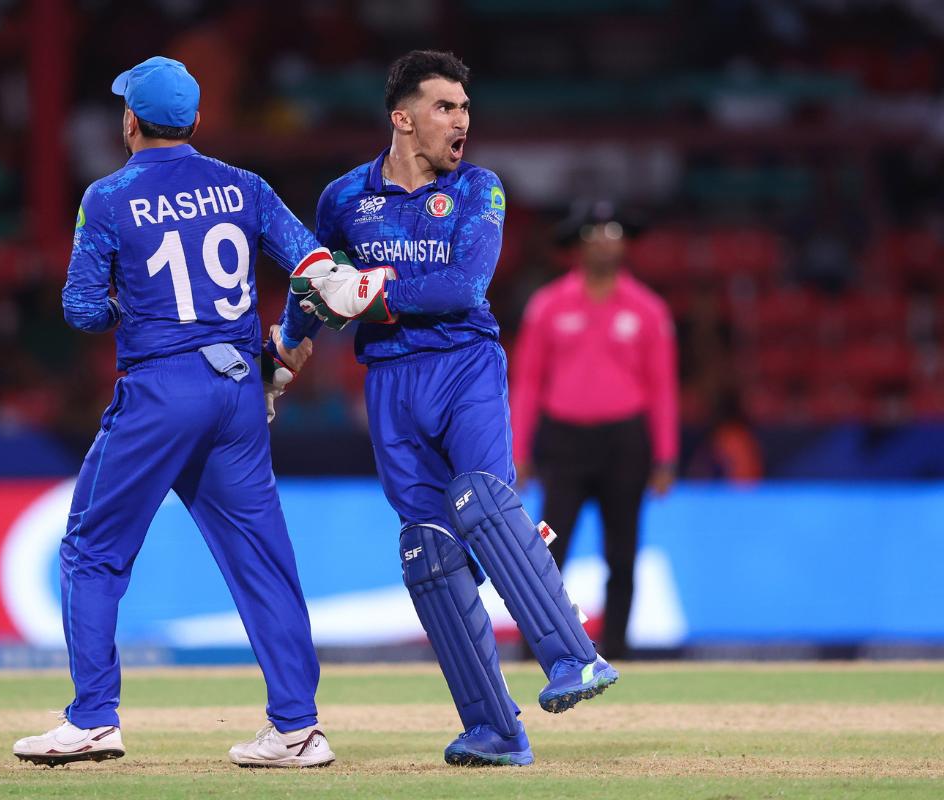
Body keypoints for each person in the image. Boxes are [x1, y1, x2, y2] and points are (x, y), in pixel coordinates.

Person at [285, 50, 617, 768]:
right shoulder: (344, 198)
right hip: (389, 386)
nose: (461, 121)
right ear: (402, 118)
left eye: (465, 108)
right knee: (429, 554)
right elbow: (312, 278)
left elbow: (463, 285)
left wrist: (367, 294)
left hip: (464, 367)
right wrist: (290, 347)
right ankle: (496, 730)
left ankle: (574, 656)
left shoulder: (479, 191)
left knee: (484, 504)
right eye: (445, 107)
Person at [12, 57, 337, 769]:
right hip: (239, 388)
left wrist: (133, 302)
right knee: (262, 560)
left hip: (162, 390)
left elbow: (80, 309)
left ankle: (94, 718)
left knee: (91, 552)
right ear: (194, 120)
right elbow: (316, 269)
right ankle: (298, 728)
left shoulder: (107, 196)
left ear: (129, 121)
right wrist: (285, 348)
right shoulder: (245, 186)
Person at [509, 200, 679, 660]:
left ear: (626, 243)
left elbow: (662, 387)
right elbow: (527, 383)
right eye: (594, 233)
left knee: (622, 553)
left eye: (614, 231)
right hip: (565, 443)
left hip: (625, 442)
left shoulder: (648, 310)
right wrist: (517, 450)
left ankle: (619, 649)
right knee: (545, 552)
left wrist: (665, 457)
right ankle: (537, 649)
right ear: (577, 245)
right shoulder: (547, 307)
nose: (605, 241)